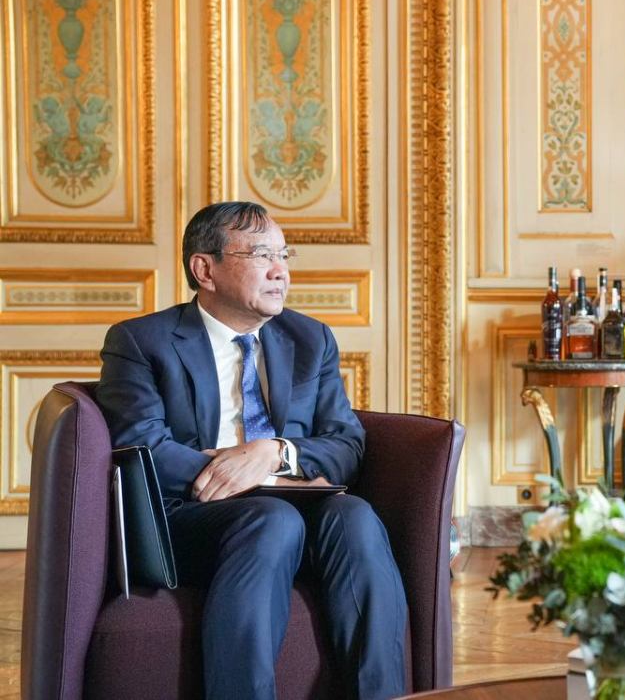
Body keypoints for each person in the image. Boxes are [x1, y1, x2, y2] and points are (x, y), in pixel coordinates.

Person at [96, 202, 407, 700]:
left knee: (354, 515)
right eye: (262, 255)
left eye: (284, 255)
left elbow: (346, 443)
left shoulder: (310, 339)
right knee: (270, 517)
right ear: (205, 269)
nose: (280, 271)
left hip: (297, 507)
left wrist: (276, 454)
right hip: (193, 518)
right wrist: (246, 476)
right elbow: (143, 448)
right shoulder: (140, 341)